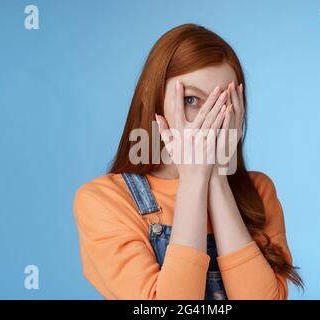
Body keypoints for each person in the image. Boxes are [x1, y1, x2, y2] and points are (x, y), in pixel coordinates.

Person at [73, 23, 303, 300]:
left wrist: (216, 176)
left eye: (222, 102)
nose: (209, 118)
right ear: (155, 100)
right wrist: (194, 180)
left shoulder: (259, 191)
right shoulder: (104, 200)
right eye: (192, 99)